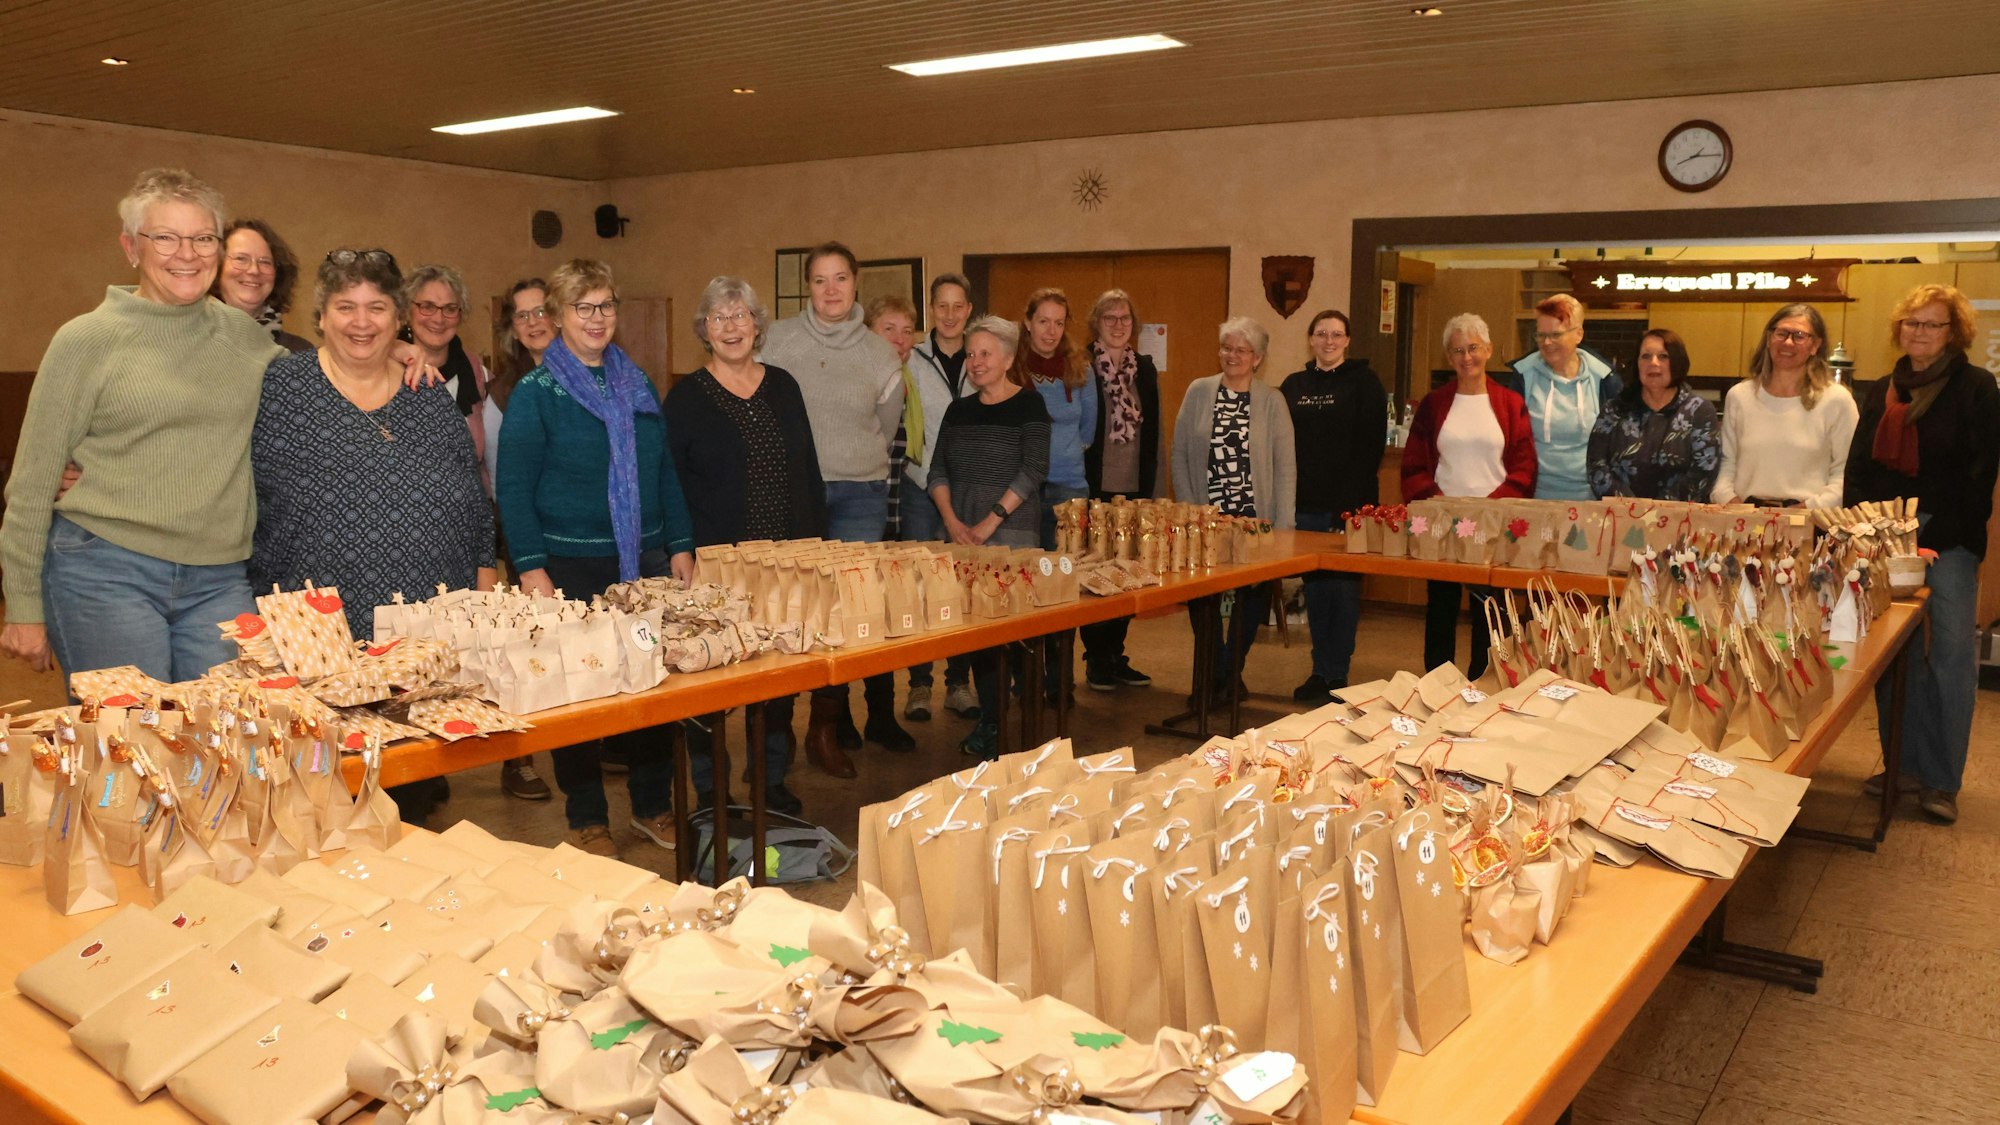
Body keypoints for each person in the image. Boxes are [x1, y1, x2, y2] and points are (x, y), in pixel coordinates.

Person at [2, 169, 286, 684]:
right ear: (132, 248)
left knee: (226, 738)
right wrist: (22, 605)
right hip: (104, 572)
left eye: (203, 238)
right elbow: (32, 481)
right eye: (166, 238)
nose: (188, 254)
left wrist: (396, 350)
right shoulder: (86, 340)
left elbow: (326, 379)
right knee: (130, 742)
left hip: (219, 579)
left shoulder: (245, 339)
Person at [250, 249, 496, 823]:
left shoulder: (427, 392)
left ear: (397, 319)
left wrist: (483, 581)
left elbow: (470, 493)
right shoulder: (281, 387)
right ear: (321, 317)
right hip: (318, 628)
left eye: (376, 308)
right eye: (345, 307)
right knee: (325, 786)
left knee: (410, 789)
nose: (361, 322)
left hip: (415, 631)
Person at [495, 258, 695, 858]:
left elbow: (662, 471)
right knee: (578, 696)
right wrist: (530, 566)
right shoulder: (536, 395)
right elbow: (513, 489)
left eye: (606, 305)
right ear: (558, 317)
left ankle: (653, 806)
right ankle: (586, 818)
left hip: (641, 563)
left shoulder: (638, 384)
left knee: (649, 691)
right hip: (567, 568)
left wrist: (680, 542)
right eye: (583, 307)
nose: (597, 317)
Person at [666, 277, 826, 814]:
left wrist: (816, 545)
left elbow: (808, 471)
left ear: (757, 325)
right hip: (716, 562)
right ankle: (711, 789)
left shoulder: (783, 385)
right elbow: (671, 481)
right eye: (719, 318)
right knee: (710, 677)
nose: (731, 327)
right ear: (704, 330)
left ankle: (771, 776)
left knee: (780, 671)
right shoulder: (687, 396)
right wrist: (680, 546)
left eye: (740, 316)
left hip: (784, 562)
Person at [1845, 284, 2000, 826]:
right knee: (1893, 654)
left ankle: (1940, 781)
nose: (1921, 333)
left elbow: (1979, 477)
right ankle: (1902, 767)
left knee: (1951, 657)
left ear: (1953, 332)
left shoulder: (1977, 388)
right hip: (1885, 534)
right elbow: (1860, 467)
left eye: (1933, 325)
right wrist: (1862, 529)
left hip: (1948, 539)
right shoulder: (1884, 388)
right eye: (1913, 323)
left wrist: (1935, 538)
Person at [760, 241, 913, 768]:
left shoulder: (879, 353)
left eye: (841, 279)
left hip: (859, 495)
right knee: (789, 610)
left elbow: (885, 427)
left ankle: (825, 729)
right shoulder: (775, 341)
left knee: (848, 614)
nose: (831, 290)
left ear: (856, 284)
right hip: (791, 492)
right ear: (809, 286)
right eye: (821, 280)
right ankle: (775, 735)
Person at [403, 264, 549, 803]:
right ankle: (422, 763)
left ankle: (517, 757)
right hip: (410, 529)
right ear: (407, 312)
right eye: (426, 306)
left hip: (472, 520)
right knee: (418, 650)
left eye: (448, 308)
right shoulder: (389, 364)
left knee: (495, 644)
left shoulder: (477, 372)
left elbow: (485, 459)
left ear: (461, 315)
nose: (437, 318)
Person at [927, 316, 1050, 760]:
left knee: (1014, 637)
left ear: (1008, 359)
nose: (975, 362)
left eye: (985, 354)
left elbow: (1034, 469)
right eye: (970, 354)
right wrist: (954, 521)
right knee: (979, 637)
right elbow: (937, 469)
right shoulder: (957, 410)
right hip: (961, 536)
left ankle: (1024, 723)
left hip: (1012, 534)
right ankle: (993, 720)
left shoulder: (1029, 406)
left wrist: (990, 522)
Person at [1402, 313, 1536, 678]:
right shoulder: (1434, 404)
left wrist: (1494, 507)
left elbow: (1525, 465)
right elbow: (1413, 464)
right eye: (1457, 350)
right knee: (1441, 608)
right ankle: (1438, 681)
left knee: (1491, 611)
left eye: (1473, 348)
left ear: (1488, 350)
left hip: (1495, 523)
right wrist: (1436, 503)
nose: (1466, 357)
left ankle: (1486, 680)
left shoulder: (1511, 403)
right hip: (1442, 522)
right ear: (1449, 357)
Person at [1170, 317, 1297, 703]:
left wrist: (1284, 526)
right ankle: (1217, 675)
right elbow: (1179, 453)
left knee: (1249, 601)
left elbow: (1285, 465)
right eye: (1226, 347)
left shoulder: (1272, 401)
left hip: (1254, 521)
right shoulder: (1199, 391)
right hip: (1205, 519)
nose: (1232, 356)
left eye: (1241, 350)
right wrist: (1190, 509)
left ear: (1257, 358)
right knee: (1203, 599)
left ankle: (1223, 672)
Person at [1281, 309, 1387, 701]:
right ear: (1310, 339)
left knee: (1341, 596)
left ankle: (1336, 674)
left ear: (1347, 341)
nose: (1328, 341)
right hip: (1304, 504)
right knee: (1316, 594)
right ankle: (1317, 672)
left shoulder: (1365, 383)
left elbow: (1370, 449)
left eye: (1336, 334)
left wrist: (1352, 511)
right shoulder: (1293, 385)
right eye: (1321, 333)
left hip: (1348, 508)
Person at [1012, 289, 1097, 707]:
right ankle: (1025, 678)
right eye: (1043, 320)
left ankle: (1060, 680)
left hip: (1069, 490)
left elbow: (1089, 431)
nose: (1051, 330)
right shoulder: (1013, 365)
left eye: (1059, 322)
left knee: (1064, 585)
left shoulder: (1080, 367)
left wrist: (1061, 459)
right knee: (1027, 585)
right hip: (1024, 489)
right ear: (1027, 322)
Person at [1078, 288, 1162, 692]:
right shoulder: (1081, 367)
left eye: (1124, 319)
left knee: (1127, 574)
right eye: (1109, 318)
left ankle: (1116, 655)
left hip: (1133, 490)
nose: (1117, 325)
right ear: (1096, 323)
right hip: (1094, 488)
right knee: (1095, 575)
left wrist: (1153, 492)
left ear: (1134, 325)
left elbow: (1154, 431)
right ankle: (1096, 658)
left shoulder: (1143, 368)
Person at [901, 273, 975, 721]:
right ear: (931, 310)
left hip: (967, 489)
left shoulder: (982, 356)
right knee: (918, 587)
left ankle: (959, 683)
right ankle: (919, 685)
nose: (949, 315)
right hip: (918, 487)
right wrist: (922, 474)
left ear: (969, 310)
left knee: (962, 585)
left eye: (958, 306)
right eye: (941, 306)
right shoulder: (911, 357)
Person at [1712, 304, 1858, 507]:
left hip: (1810, 521)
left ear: (1815, 345)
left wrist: (1805, 511)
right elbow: (1725, 465)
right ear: (1769, 338)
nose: (1788, 342)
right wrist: (1732, 503)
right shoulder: (1739, 396)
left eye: (1799, 335)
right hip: (1745, 518)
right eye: (1781, 333)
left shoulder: (1836, 400)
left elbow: (1846, 474)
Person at [1586, 328, 1720, 502]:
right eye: (1646, 356)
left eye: (1663, 356)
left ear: (1677, 362)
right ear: (1637, 363)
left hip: (1680, 520)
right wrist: (1630, 507)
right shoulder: (1615, 409)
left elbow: (1704, 471)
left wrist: (1656, 512)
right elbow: (1596, 465)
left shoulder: (1700, 411)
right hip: (1620, 517)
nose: (1653, 363)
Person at [1509, 294, 1618, 501]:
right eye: (1540, 335)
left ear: (1578, 334)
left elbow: (1616, 446)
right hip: (1532, 498)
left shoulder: (1604, 379)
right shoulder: (1523, 377)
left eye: (1556, 335)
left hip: (1591, 499)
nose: (1547, 343)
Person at [483, 278, 554, 491]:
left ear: (558, 317)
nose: (533, 322)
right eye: (522, 316)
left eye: (541, 312)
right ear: (513, 331)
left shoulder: (587, 376)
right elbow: (498, 473)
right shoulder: (503, 391)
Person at [211, 219, 312, 352]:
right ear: (216, 266)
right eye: (241, 259)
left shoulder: (300, 353)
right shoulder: (188, 341)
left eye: (265, 262)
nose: (254, 270)